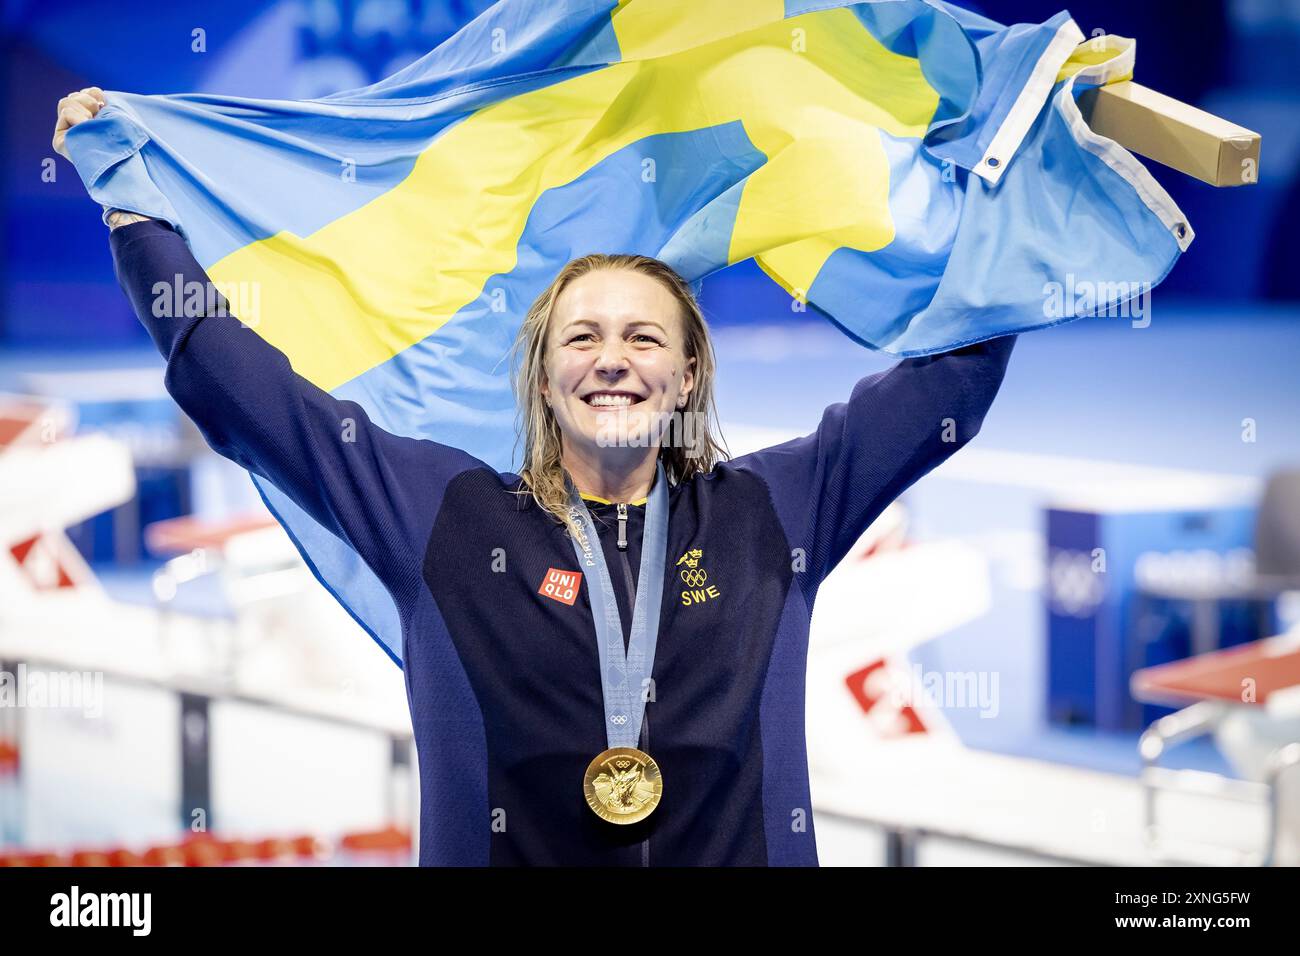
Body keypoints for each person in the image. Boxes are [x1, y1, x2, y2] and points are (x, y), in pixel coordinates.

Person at [56, 87, 1017, 865]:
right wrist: (135, 206)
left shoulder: (773, 508)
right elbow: (238, 387)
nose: (611, 360)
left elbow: (951, 388)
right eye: (582, 338)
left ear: (686, 375)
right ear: (543, 376)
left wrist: (1025, 182)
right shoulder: (440, 513)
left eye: (644, 337)